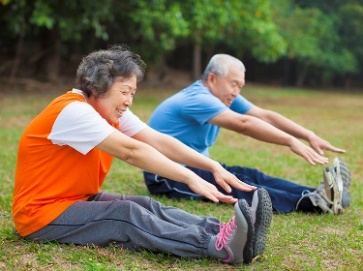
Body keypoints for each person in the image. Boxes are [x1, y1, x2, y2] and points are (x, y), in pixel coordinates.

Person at [12, 46, 274, 265]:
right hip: (40, 216)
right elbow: (131, 151)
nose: (128, 101)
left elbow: (157, 140)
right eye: (124, 91)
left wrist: (211, 165)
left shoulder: (109, 111)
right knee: (125, 214)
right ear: (97, 86)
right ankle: (220, 246)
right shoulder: (73, 111)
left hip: (74, 199)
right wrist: (188, 176)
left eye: (132, 94)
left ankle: (222, 231)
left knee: (146, 205)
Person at [144, 53, 352, 215]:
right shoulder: (198, 99)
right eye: (233, 84)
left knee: (251, 176)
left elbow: (264, 115)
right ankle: (312, 203)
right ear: (213, 78)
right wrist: (289, 141)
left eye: (240, 86)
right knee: (241, 184)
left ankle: (319, 193)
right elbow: (243, 123)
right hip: (166, 176)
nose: (237, 92)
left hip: (196, 166)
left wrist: (308, 135)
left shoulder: (222, 96)